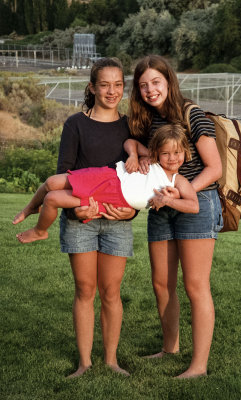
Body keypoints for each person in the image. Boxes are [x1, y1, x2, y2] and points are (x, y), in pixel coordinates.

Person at [17, 57, 136, 378]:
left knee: (111, 291)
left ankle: (111, 360)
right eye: (105, 84)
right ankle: (85, 362)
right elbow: (63, 174)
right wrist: (75, 208)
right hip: (79, 217)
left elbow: (138, 181)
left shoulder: (131, 127)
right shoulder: (75, 124)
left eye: (118, 84)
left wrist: (132, 210)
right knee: (85, 290)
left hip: (117, 221)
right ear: (92, 87)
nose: (112, 91)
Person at [128, 55, 223, 379]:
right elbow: (141, 150)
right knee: (161, 283)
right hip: (161, 207)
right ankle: (170, 347)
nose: (150, 90)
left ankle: (198, 366)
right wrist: (136, 155)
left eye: (155, 82)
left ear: (169, 81)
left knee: (196, 285)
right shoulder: (148, 120)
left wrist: (181, 192)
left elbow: (215, 168)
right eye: (143, 85)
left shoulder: (191, 114)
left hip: (197, 203)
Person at [13, 125, 199, 243]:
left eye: (177, 153)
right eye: (166, 153)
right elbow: (129, 142)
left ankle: (40, 231)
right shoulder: (152, 159)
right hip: (108, 177)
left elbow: (193, 205)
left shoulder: (178, 181)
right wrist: (134, 156)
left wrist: (168, 201)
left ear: (186, 152)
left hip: (115, 201)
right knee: (52, 182)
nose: (172, 158)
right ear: (158, 151)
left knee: (52, 199)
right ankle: (30, 207)